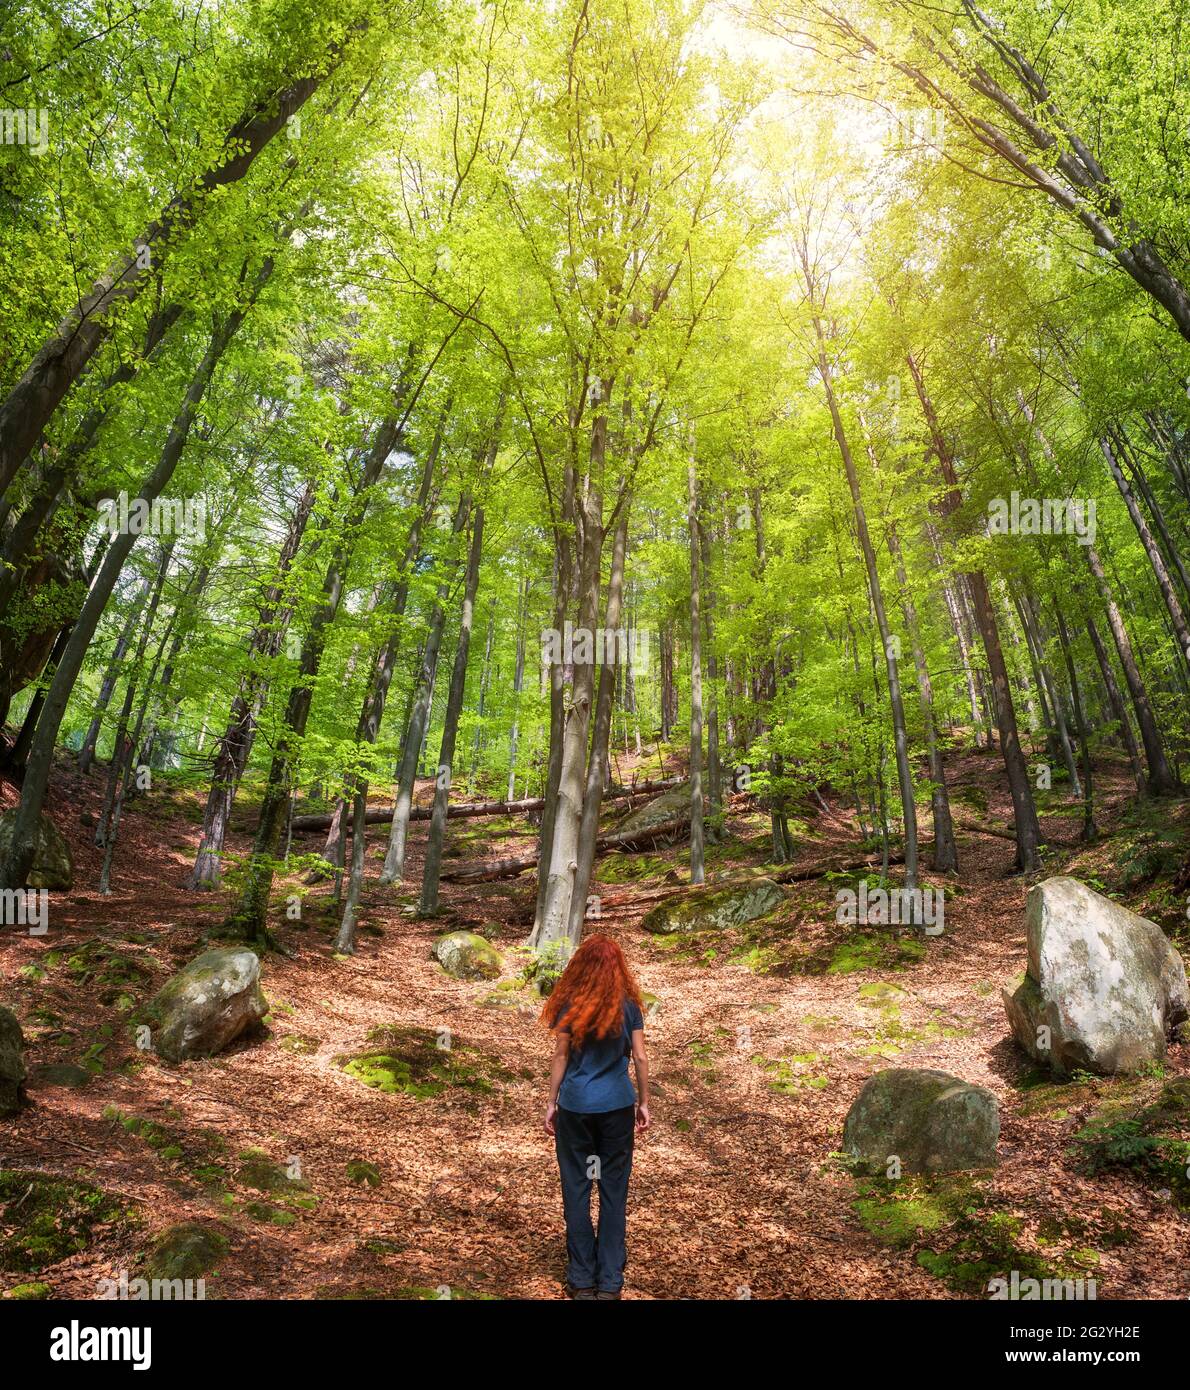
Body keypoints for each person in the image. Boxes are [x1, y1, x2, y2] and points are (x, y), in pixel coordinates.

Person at [542, 934, 650, 1300]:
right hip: (616, 1109)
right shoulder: (630, 1006)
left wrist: (552, 1101)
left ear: (581, 965)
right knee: (612, 1191)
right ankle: (609, 1284)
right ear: (617, 966)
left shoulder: (571, 1004)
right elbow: (640, 1058)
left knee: (577, 1188)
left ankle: (582, 1280)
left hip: (576, 1109)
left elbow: (560, 1057)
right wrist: (644, 1102)